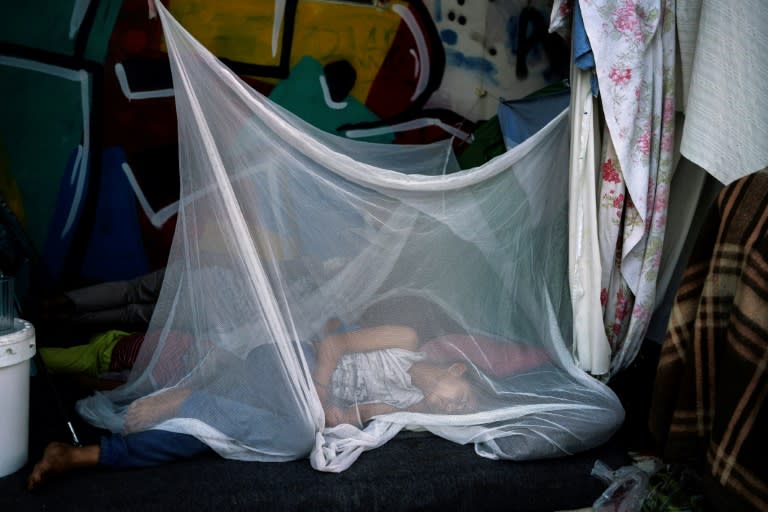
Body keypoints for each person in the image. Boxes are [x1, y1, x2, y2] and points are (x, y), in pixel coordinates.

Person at [27, 323, 481, 490]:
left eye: (456, 413)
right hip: (287, 363)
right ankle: (188, 395)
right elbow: (335, 343)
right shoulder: (408, 342)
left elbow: (353, 414)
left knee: (212, 436)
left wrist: (345, 417)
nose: (451, 408)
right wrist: (320, 399)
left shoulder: (408, 406)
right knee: (294, 436)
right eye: (459, 399)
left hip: (288, 402)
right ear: (455, 370)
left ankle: (85, 455)